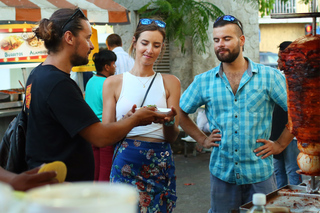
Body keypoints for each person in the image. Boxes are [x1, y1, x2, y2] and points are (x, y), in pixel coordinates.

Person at [25, 8, 167, 183]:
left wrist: (127, 119)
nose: (91, 45)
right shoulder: (57, 83)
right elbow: (100, 137)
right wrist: (136, 119)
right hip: (59, 189)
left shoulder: (38, 74)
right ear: (69, 38)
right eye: (87, 38)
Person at [179, 15, 295, 213]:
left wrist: (281, 144)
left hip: (260, 174)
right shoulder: (203, 81)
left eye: (227, 39)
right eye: (216, 40)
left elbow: (296, 111)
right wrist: (202, 139)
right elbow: (180, 112)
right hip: (222, 173)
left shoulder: (270, 77)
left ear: (241, 41)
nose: (220, 45)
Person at [103, 18, 180, 213]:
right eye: (145, 43)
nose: (150, 50)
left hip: (160, 163)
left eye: (156, 45)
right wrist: (129, 120)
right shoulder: (113, 82)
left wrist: (169, 121)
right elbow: (106, 135)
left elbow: (172, 137)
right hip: (126, 163)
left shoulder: (171, 82)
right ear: (134, 42)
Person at [272, 41, 302, 188]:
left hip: (291, 134)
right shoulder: (279, 77)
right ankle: (281, 206)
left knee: (292, 171)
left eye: (280, 57)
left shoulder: (300, 80)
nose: (277, 61)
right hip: (276, 133)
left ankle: (297, 206)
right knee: (278, 171)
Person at [85, 49, 117, 181]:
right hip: (104, 131)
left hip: (91, 132)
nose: (115, 67)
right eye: (114, 64)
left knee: (95, 170)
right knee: (106, 169)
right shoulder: (107, 84)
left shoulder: (91, 81)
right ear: (107, 67)